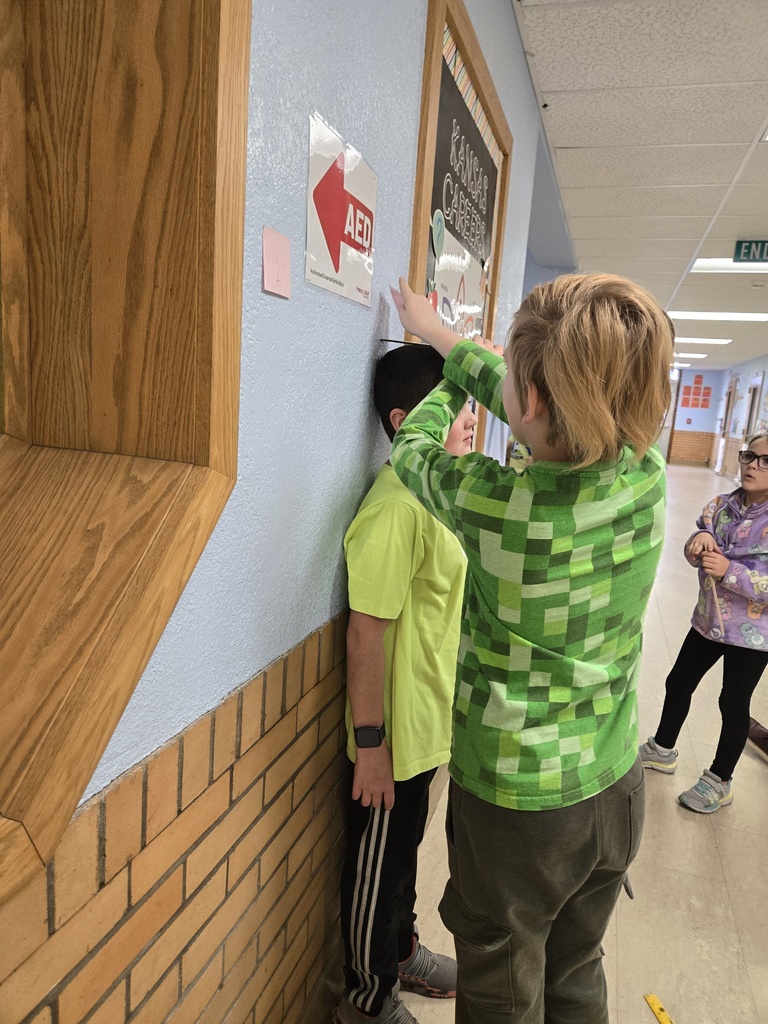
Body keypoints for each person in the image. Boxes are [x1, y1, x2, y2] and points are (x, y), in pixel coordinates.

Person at [389, 273, 673, 1024]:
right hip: (614, 785)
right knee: (575, 967)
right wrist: (446, 337)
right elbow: (528, 397)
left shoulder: (495, 504)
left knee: (502, 987)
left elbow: (412, 447)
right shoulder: (643, 476)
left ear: (534, 400)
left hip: (519, 810)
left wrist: (447, 374)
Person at [333, 343, 477, 1024]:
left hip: (425, 731)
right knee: (375, 875)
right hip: (388, 740)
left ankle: (403, 950)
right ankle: (368, 1000)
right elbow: (365, 634)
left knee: (402, 862)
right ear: (403, 420)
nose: (470, 419)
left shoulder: (437, 496)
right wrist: (371, 745)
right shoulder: (394, 509)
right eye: (454, 406)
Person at [640, 434, 768, 811]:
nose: (751, 465)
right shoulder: (721, 505)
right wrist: (697, 542)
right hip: (709, 621)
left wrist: (730, 571)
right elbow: (700, 535)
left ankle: (719, 779)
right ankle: (663, 748)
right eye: (749, 456)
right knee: (678, 681)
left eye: (765, 461)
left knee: (733, 703)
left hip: (754, 636)